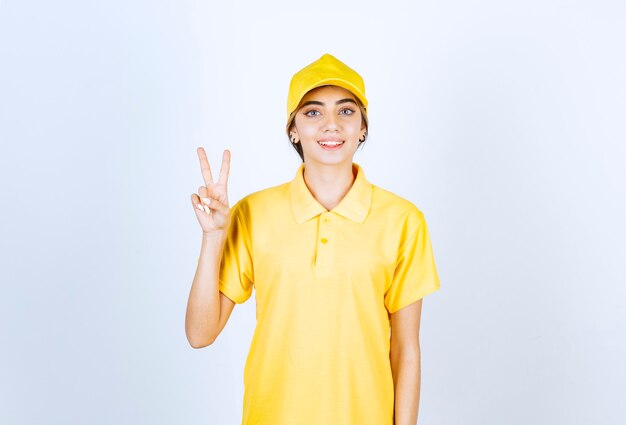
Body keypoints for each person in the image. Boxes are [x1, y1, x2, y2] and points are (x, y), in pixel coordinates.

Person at [185, 53, 441, 425]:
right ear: (294, 130)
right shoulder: (253, 213)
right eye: (313, 112)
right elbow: (199, 333)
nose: (331, 125)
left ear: (363, 128)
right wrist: (213, 237)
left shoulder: (403, 221)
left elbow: (406, 351)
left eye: (347, 111)